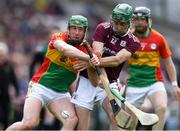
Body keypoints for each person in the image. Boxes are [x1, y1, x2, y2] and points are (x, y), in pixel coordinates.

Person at [6, 15, 99, 130]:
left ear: (85, 32)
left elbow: (94, 80)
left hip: (60, 93)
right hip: (40, 87)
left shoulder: (86, 49)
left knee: (72, 120)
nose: (76, 32)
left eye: (80, 29)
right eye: (74, 28)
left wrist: (91, 64)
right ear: (68, 29)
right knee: (29, 123)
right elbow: (65, 49)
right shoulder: (58, 37)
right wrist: (88, 58)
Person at [71, 3, 140, 130]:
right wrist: (99, 72)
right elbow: (97, 55)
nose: (118, 26)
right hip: (89, 77)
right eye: (116, 22)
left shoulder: (134, 42)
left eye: (122, 24)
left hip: (111, 81)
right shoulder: (102, 28)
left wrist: (89, 62)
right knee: (82, 126)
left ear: (130, 22)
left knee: (115, 116)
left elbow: (117, 60)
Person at [124, 6, 180, 130]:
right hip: (134, 83)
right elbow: (119, 60)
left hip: (154, 82)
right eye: (136, 19)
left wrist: (174, 84)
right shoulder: (128, 38)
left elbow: (169, 63)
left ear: (148, 20)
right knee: (129, 123)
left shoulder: (159, 39)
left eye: (142, 19)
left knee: (162, 107)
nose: (139, 22)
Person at [0, 42, 19, 129]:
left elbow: (14, 81)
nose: (2, 57)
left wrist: (17, 93)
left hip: (5, 95)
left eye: (3, 55)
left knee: (6, 117)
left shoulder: (8, 67)